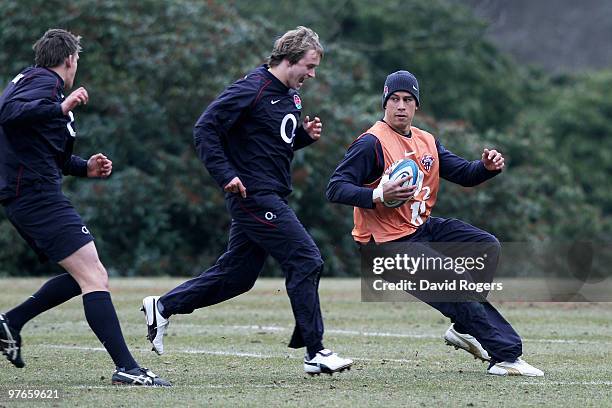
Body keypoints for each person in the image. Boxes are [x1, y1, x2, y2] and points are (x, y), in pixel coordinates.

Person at [141, 26, 352, 376]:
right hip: (252, 196)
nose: (312, 75)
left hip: (268, 193)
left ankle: (163, 306)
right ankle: (315, 352)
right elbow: (205, 129)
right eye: (309, 66)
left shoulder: (291, 97)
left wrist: (302, 137)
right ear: (288, 59)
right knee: (307, 259)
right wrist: (225, 175)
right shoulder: (250, 88)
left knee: (238, 276)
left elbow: (269, 143)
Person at [326, 70, 544, 377]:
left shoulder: (426, 140)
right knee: (457, 285)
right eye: (394, 99)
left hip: (420, 230)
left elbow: (465, 175)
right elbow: (335, 188)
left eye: (407, 99)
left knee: (485, 246)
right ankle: (506, 356)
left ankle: (463, 326)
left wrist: (486, 168)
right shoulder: (371, 143)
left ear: (416, 106)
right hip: (385, 247)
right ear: (384, 103)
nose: (400, 106)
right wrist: (377, 193)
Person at [0, 29, 170, 386]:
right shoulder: (44, 83)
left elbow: (41, 148)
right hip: (34, 195)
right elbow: (9, 114)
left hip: (32, 193)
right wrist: (60, 106)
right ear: (69, 61)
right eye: (77, 61)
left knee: (86, 275)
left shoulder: (32, 81)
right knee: (94, 277)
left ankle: (11, 322)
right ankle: (127, 368)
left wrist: (84, 167)